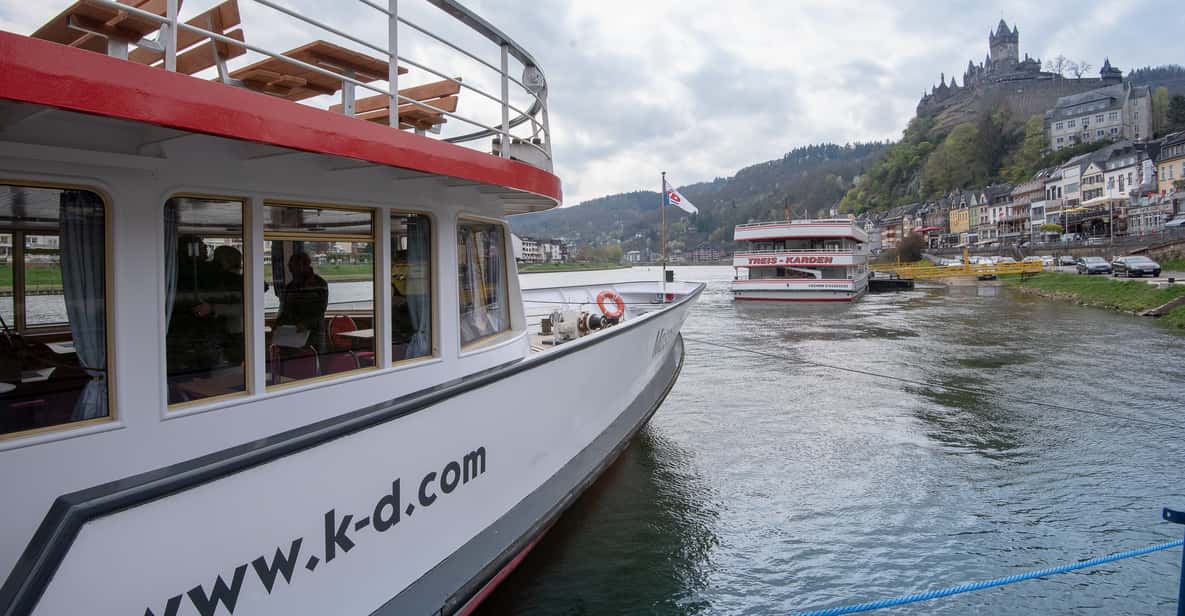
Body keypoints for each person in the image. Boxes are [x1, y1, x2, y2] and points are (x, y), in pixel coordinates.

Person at [274, 251, 328, 352]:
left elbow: (321, 309)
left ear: (304, 266)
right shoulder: (290, 287)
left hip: (313, 336)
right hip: (291, 336)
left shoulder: (320, 284)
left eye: (293, 267)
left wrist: (305, 324)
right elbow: (284, 310)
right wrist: (277, 324)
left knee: (313, 365)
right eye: (290, 267)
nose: (290, 270)